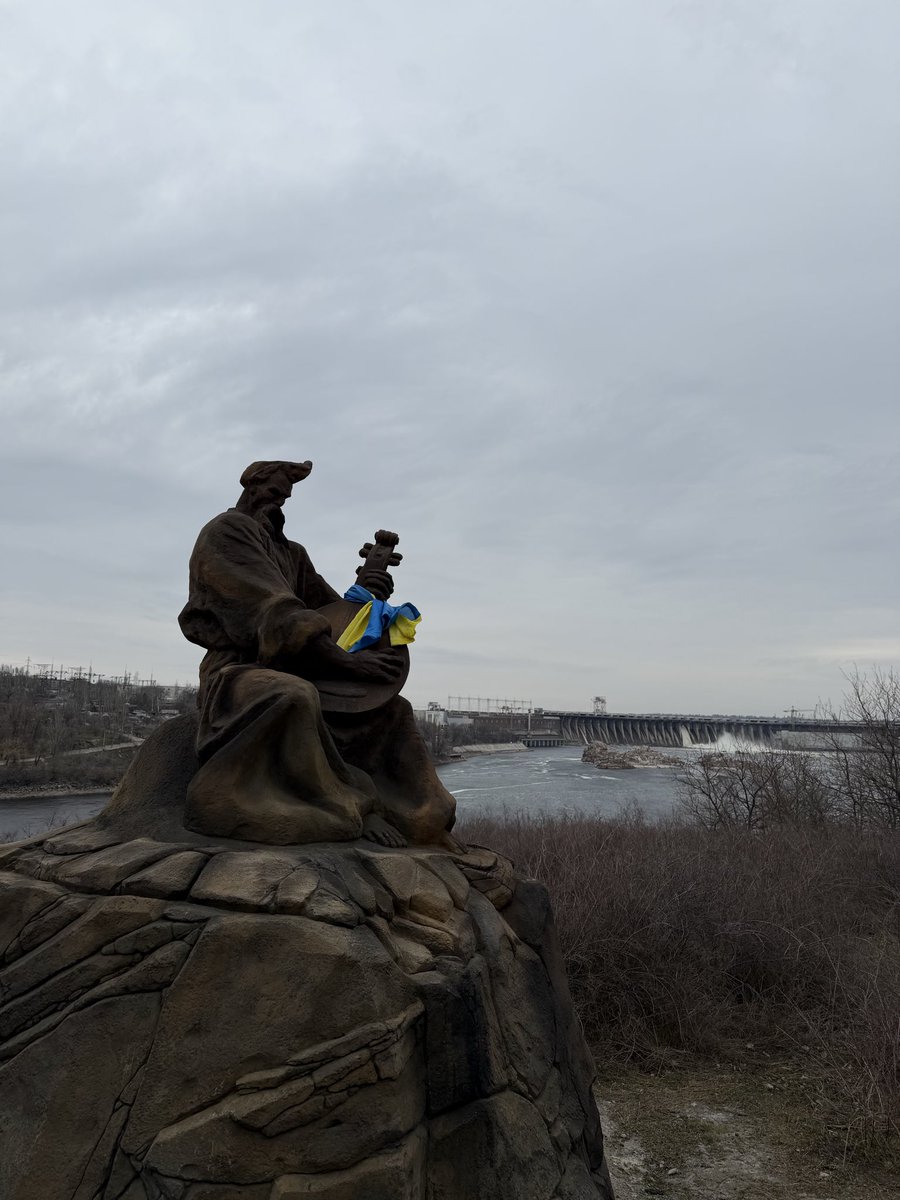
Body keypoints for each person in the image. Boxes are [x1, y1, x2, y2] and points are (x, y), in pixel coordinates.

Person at [177, 459, 458, 848]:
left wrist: (366, 590)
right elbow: (277, 613)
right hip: (238, 672)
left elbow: (329, 614)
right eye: (274, 492)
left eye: (285, 496)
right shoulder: (227, 533)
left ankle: (423, 821)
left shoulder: (292, 553)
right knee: (292, 695)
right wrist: (349, 663)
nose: (279, 502)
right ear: (251, 486)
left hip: (303, 666)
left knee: (395, 710)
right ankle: (348, 808)